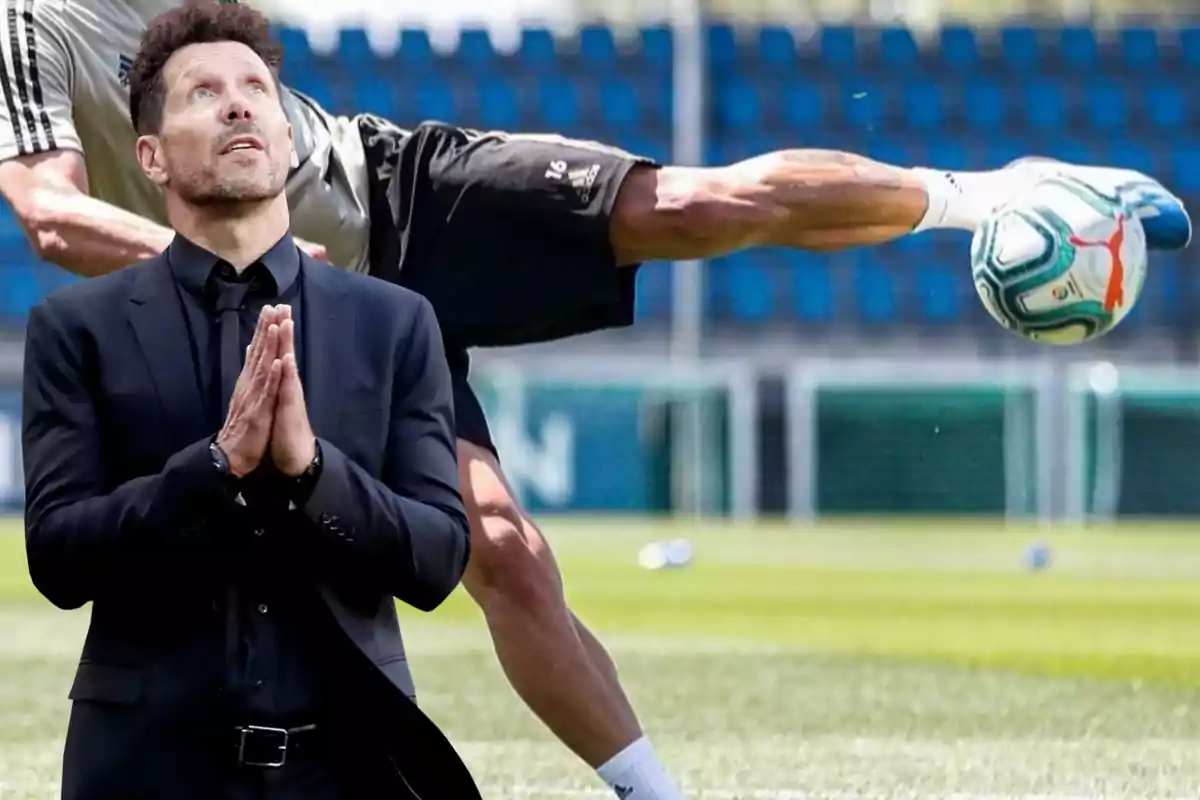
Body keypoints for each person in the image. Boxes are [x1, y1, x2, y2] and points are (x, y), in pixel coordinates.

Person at [1, 1, 1191, 798]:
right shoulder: (26, 27)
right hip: (298, 303)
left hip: (393, 192)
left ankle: (990, 193)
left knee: (690, 207)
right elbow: (52, 216)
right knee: (503, 550)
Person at [19, 17, 480, 799]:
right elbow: (59, 559)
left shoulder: (396, 322)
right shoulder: (76, 328)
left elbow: (437, 560)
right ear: (151, 156)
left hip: (354, 768)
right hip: (140, 773)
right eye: (203, 92)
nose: (237, 107)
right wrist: (213, 468)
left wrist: (314, 471)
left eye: (254, 91)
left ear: (289, 141)